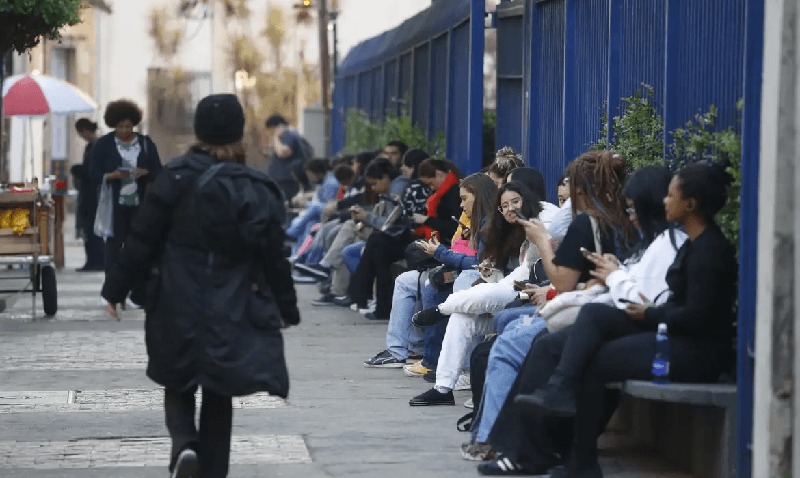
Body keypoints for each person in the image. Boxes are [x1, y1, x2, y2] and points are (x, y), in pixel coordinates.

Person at [101, 94, 299, 478]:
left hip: (175, 296)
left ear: (199, 131)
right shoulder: (254, 186)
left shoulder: (173, 177)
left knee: (177, 379)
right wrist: (286, 308)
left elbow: (142, 239)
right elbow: (274, 256)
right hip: (232, 302)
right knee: (218, 388)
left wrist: (115, 290)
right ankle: (213, 470)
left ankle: (184, 444)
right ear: (239, 131)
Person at [512, 160, 738, 478]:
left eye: (671, 196)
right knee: (594, 314)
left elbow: (698, 317)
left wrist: (649, 312)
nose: (664, 202)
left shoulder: (710, 250)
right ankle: (562, 403)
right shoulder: (692, 243)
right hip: (673, 335)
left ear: (690, 204)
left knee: (593, 360)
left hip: (695, 352)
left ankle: (580, 459)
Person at [464, 165, 685, 464]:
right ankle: (537, 447)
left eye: (572, 192)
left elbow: (624, 294)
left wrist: (544, 245)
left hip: (632, 326)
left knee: (516, 345)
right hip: (607, 315)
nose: (567, 199)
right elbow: (610, 284)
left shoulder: (611, 229)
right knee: (516, 337)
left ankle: (503, 442)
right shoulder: (645, 237)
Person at [363, 172, 497, 367]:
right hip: (453, 264)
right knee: (405, 280)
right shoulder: (472, 218)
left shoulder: (491, 221)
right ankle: (401, 351)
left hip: (467, 271)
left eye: (464, 199)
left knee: (433, 284)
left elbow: (478, 263)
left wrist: (440, 253)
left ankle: (435, 360)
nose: (461, 204)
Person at [89, 99, 162, 304]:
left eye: (128, 126)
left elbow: (159, 171)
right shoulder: (103, 145)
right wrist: (111, 176)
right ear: (113, 125)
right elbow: (93, 173)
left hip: (140, 206)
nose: (124, 130)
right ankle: (111, 292)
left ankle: (137, 292)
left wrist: (144, 172)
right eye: (120, 126)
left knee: (138, 249)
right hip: (114, 206)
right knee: (113, 249)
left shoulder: (146, 144)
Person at [73, 118, 105, 272]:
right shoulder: (92, 146)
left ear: (85, 130)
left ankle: (96, 261)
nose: (81, 136)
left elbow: (93, 172)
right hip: (90, 193)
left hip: (93, 195)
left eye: (81, 133)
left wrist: (77, 170)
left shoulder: (97, 146)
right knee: (89, 230)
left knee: (93, 230)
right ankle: (92, 261)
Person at [265, 114, 313, 199]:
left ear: (276, 127)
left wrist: (276, 137)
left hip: (286, 180)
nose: (270, 134)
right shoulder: (288, 135)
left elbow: (283, 152)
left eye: (270, 130)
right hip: (284, 180)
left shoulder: (288, 135)